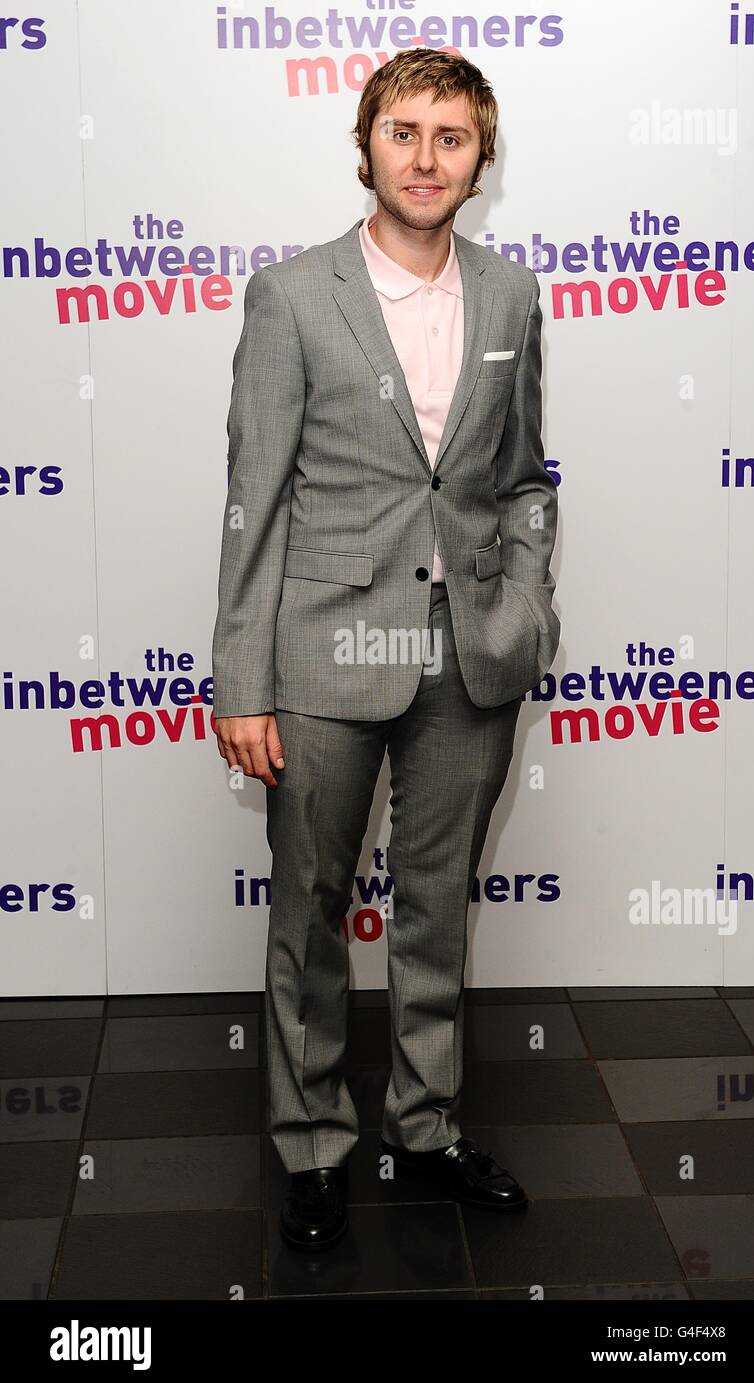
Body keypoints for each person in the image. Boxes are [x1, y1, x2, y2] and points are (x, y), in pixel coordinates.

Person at [211, 46, 561, 1251]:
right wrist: (242, 680)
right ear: (363, 146)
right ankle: (311, 1143)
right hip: (316, 655)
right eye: (402, 132)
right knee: (308, 910)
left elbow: (522, 479)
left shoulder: (510, 294)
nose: (425, 157)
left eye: (450, 137)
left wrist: (522, 608)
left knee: (434, 906)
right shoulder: (291, 295)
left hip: (467, 656)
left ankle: (425, 1125)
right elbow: (252, 498)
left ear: (480, 159)